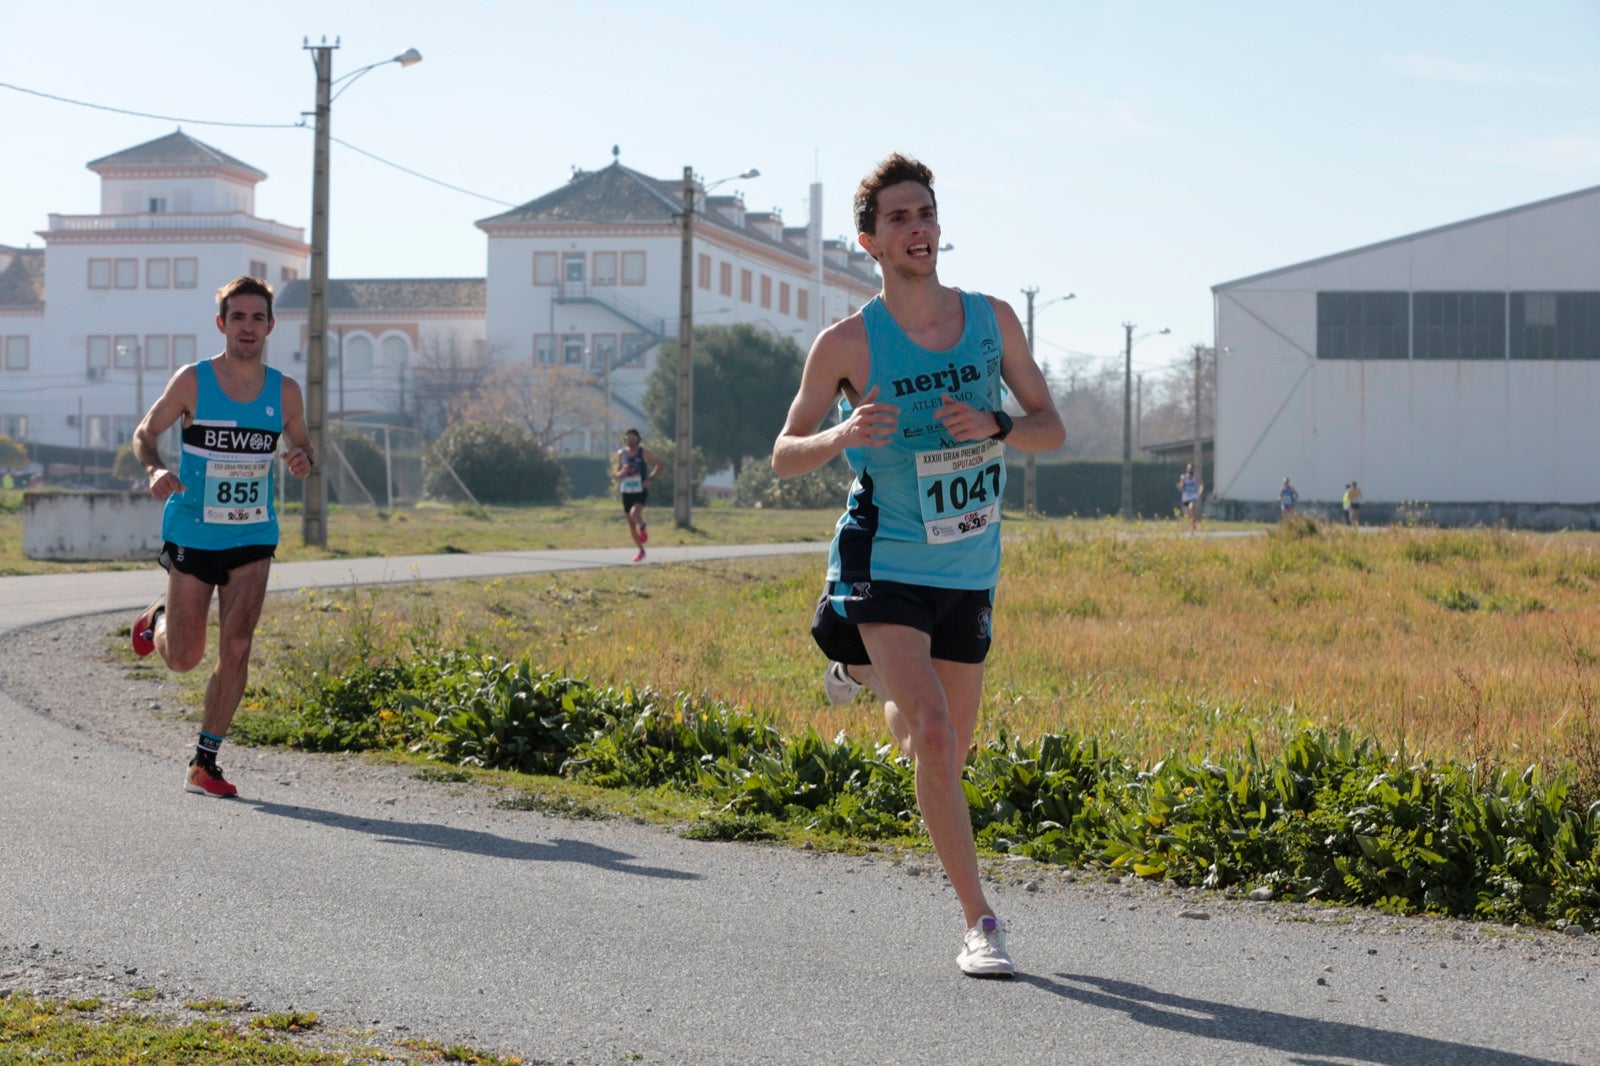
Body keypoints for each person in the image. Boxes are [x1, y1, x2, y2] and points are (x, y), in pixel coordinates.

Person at [772, 153, 1065, 978]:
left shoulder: (992, 321)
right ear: (870, 241)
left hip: (968, 563)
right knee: (933, 735)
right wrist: (839, 435)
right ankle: (982, 924)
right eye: (899, 218)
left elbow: (1051, 427)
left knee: (945, 747)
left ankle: (859, 677)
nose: (918, 228)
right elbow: (784, 455)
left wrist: (999, 427)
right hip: (885, 554)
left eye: (926, 212)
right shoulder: (846, 342)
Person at [129, 276, 312, 798]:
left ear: (271, 325)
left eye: (258, 318)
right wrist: (153, 469)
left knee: (236, 644)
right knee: (184, 657)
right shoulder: (193, 381)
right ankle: (158, 616)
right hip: (193, 531)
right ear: (222, 324)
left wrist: (302, 458)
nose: (248, 327)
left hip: (254, 534)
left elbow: (303, 446)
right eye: (238, 317)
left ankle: (204, 761)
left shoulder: (286, 391)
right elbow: (146, 432)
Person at [615, 428, 661, 562]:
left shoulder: (644, 452)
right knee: (630, 524)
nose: (631, 440)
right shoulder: (621, 453)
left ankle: (643, 525)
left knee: (634, 514)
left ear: (637, 439)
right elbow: (617, 474)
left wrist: (650, 478)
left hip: (640, 489)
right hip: (626, 491)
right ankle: (641, 550)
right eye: (628, 438)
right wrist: (622, 473)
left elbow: (659, 465)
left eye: (633, 438)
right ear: (625, 439)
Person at [1178, 462, 1203, 534]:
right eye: (1188, 468)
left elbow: (1201, 484)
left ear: (1193, 469)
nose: (1189, 469)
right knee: (1188, 514)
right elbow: (1181, 487)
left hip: (1193, 496)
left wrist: (1199, 492)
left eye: (1191, 468)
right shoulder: (1184, 477)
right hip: (1186, 497)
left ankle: (1193, 526)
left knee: (1190, 507)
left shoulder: (1195, 478)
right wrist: (1181, 483)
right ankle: (1193, 525)